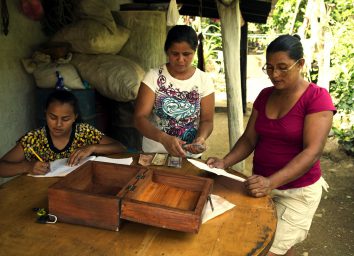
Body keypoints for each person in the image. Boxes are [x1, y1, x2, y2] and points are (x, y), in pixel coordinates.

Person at [207, 34, 336, 256]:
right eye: (269, 68)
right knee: (275, 243)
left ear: (301, 64)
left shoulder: (317, 98)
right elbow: (249, 139)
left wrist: (271, 182)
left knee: (264, 250)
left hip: (298, 192)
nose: (274, 74)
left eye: (283, 67)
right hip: (261, 186)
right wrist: (224, 161)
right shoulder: (265, 95)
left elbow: (312, 152)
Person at [0, 90, 126, 177]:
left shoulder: (84, 133)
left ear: (75, 117)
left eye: (65, 119)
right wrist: (27, 167)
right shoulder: (34, 139)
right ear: (45, 114)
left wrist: (93, 147)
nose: (58, 124)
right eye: (52, 117)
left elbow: (120, 147)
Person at [134, 25, 215, 158]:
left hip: (188, 156)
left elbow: (207, 120)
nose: (181, 60)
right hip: (155, 154)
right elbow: (139, 118)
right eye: (175, 54)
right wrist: (163, 138)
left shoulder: (204, 80)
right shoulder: (153, 77)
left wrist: (201, 138)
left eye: (186, 54)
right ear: (167, 51)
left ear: (194, 52)